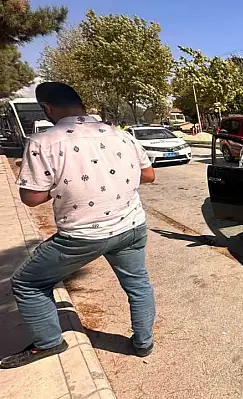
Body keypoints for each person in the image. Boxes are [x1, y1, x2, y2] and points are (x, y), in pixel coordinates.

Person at [0, 82, 157, 369]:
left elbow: (31, 198)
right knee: (137, 284)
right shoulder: (120, 136)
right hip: (131, 226)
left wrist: (63, 184)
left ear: (47, 108)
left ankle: (48, 342)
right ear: (81, 103)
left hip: (81, 236)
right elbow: (149, 175)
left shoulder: (44, 142)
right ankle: (143, 343)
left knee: (27, 282)